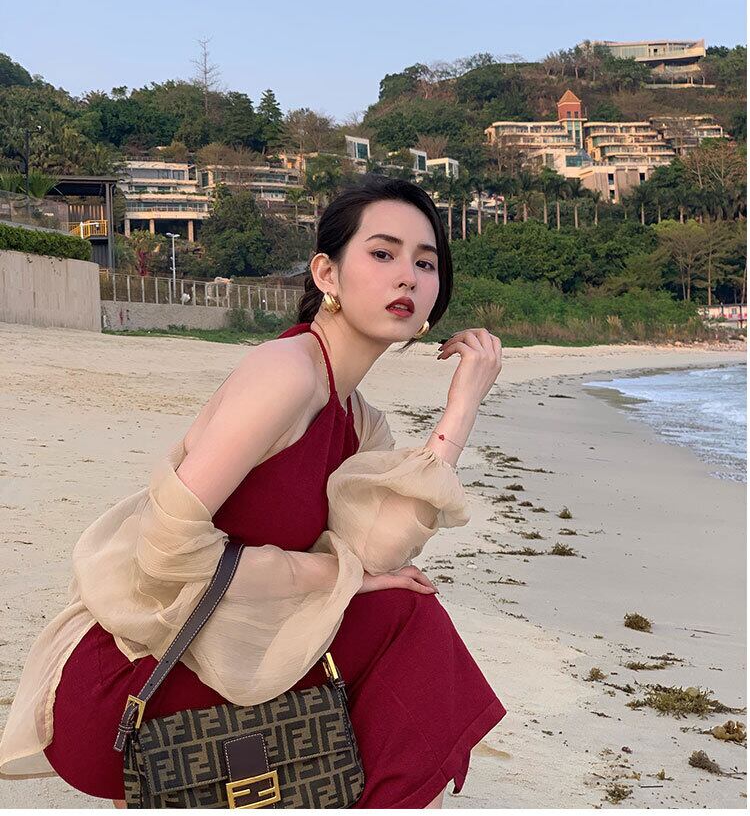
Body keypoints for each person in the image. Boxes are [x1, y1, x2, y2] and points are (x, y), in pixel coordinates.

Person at [0, 174, 507, 808]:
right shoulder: (286, 373)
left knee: (405, 613)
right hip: (136, 681)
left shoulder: (358, 417)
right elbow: (165, 547)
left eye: (425, 263)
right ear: (327, 274)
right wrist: (331, 576)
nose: (407, 276)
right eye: (383, 253)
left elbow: (379, 556)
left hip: (226, 655)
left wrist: (461, 408)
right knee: (412, 626)